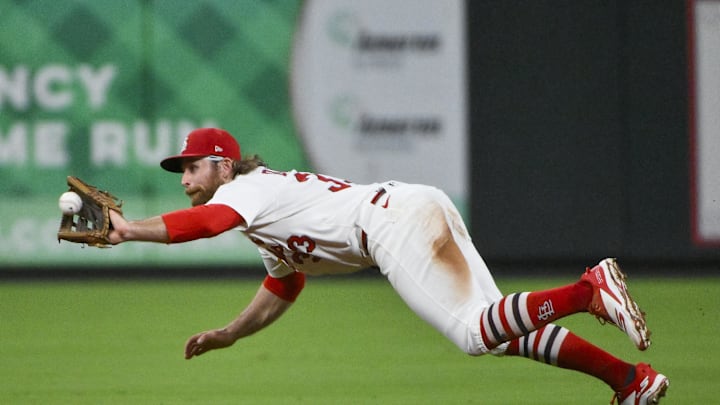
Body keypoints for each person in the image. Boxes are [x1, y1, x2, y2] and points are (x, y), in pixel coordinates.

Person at [107, 128, 669, 404]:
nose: (184, 180)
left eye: (191, 168)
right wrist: (231, 334)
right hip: (409, 206)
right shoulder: (257, 208)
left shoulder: (248, 192)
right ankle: (629, 382)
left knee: (475, 334)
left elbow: (203, 226)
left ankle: (588, 289)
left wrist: (130, 230)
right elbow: (285, 283)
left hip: (391, 226)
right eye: (180, 171)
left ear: (223, 166)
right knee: (500, 330)